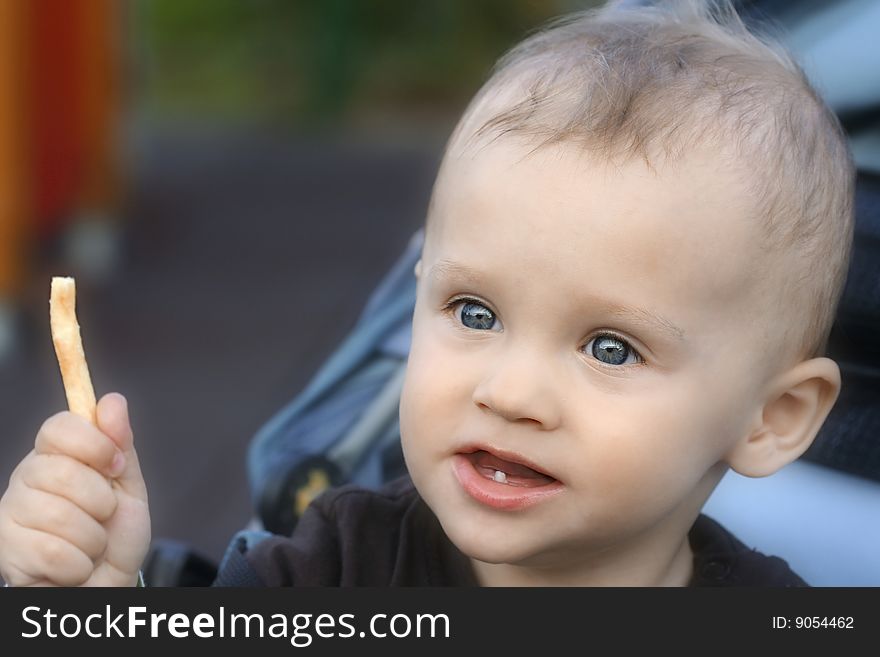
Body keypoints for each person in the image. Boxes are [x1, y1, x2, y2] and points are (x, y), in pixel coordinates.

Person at [0, 0, 855, 587]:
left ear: (772, 417)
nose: (509, 392)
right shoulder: (329, 570)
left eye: (609, 346)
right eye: (474, 313)